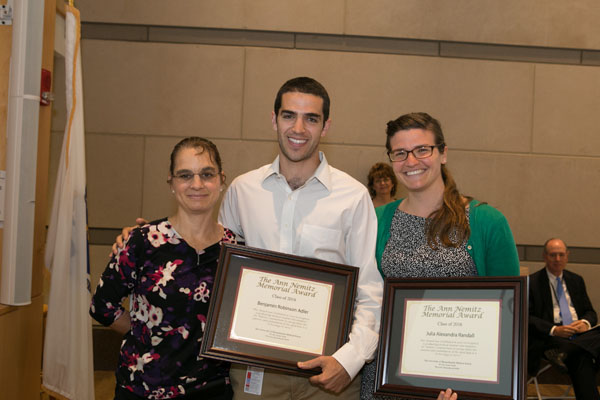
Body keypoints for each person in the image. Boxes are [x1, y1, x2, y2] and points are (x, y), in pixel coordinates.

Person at [219, 76, 383, 399]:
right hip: (256, 370)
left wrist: (349, 361)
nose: (298, 128)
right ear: (274, 120)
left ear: (326, 127)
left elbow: (369, 290)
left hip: (328, 374)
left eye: (311, 118)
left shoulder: (353, 197)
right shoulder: (243, 191)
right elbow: (219, 270)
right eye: (289, 115)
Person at [359, 112, 520, 400]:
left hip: (458, 383)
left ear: (443, 153)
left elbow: (508, 318)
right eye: (400, 153)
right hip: (386, 380)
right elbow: (366, 299)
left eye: (422, 149)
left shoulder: (487, 222)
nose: (411, 161)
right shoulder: (377, 219)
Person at [91, 137, 239, 399]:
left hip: (211, 390)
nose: (197, 184)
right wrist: (147, 334)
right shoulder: (143, 241)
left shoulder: (236, 250)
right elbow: (102, 307)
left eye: (207, 174)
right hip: (143, 389)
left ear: (221, 180)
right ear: (171, 182)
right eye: (185, 175)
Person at [528, 238, 600, 400]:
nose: (557, 259)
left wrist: (585, 323)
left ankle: (565, 353)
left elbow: (590, 312)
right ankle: (569, 350)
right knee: (582, 356)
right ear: (544, 256)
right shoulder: (532, 282)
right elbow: (528, 318)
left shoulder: (576, 280)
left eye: (561, 255)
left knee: (591, 339)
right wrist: (555, 330)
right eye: (553, 255)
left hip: (579, 335)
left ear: (567, 256)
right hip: (552, 337)